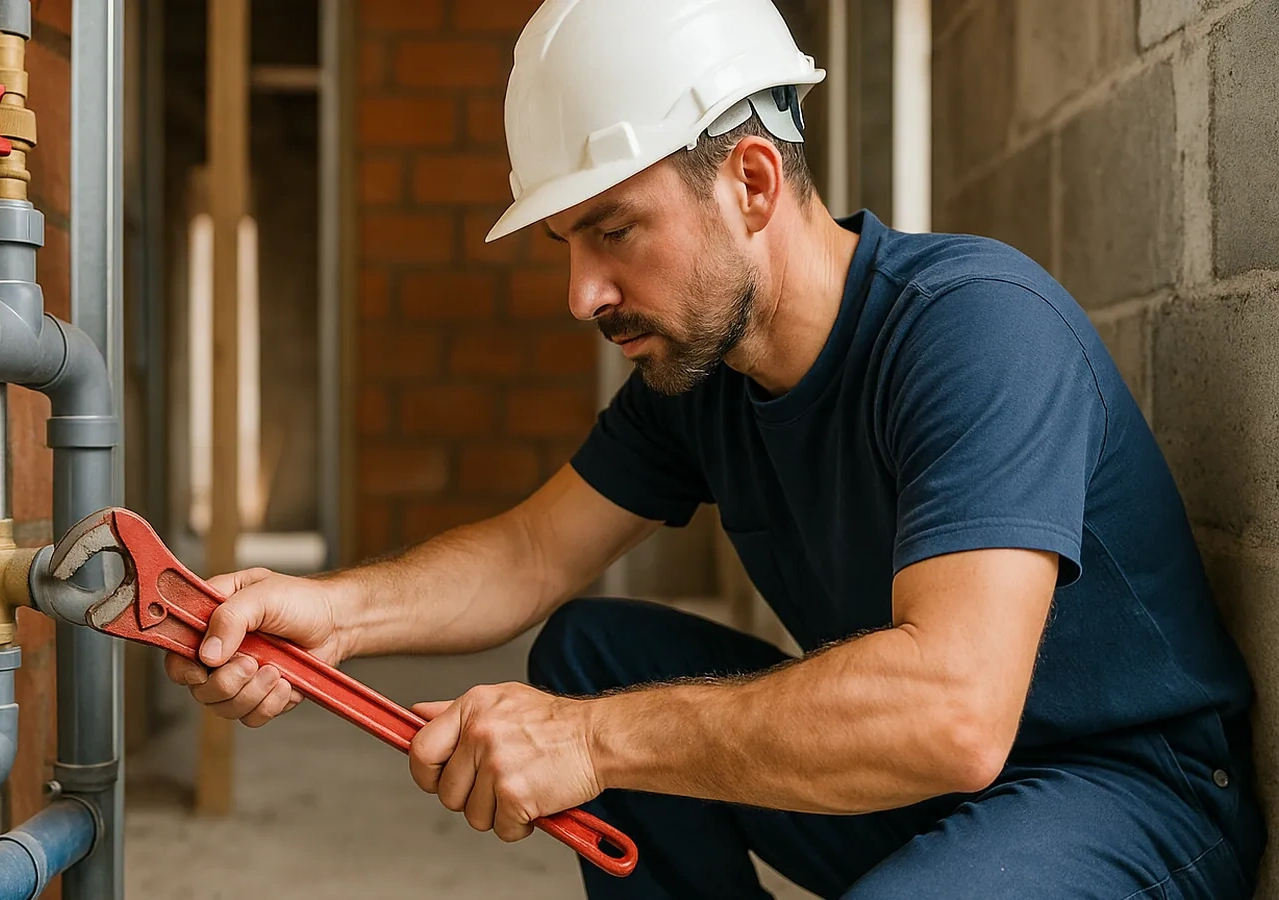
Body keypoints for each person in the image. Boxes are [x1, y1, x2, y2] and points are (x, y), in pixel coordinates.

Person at [165, 0, 1266, 896]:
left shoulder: (973, 328)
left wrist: (592, 746)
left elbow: (951, 711)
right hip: (939, 792)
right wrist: (328, 614)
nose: (579, 293)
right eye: (564, 243)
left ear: (750, 182)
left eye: (612, 231)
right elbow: (530, 557)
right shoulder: (701, 368)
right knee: (589, 653)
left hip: (1122, 794)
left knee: (603, 713)